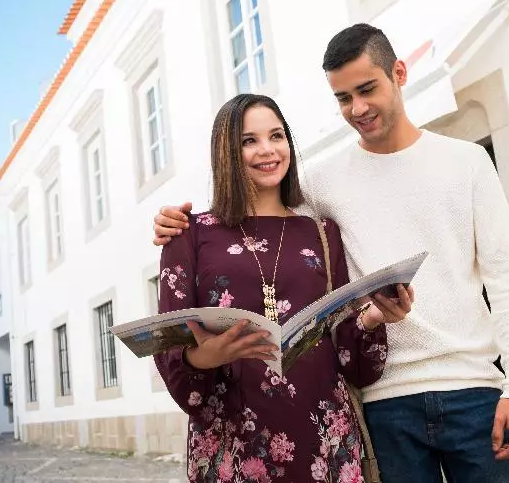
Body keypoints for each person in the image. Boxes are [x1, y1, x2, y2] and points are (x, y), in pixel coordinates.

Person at [153, 24, 509, 482]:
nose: (357, 108)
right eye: (342, 98)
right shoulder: (322, 185)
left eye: (367, 89)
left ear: (399, 73)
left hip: (474, 389)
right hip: (385, 403)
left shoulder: (467, 163)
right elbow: (255, 217)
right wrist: (175, 224)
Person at [153, 92, 413, 483]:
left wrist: (374, 317)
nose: (267, 150)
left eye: (277, 136)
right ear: (226, 151)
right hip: (233, 445)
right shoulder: (188, 234)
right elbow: (172, 349)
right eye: (249, 140)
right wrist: (205, 357)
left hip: (327, 440)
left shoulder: (323, 234)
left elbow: (348, 354)